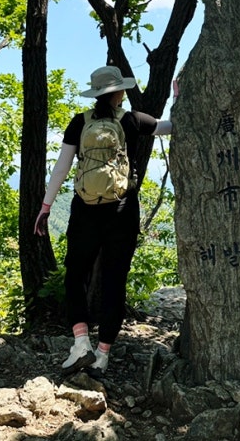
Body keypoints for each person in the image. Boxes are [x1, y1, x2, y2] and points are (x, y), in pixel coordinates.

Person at [34, 65, 173, 375]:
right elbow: (170, 127)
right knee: (114, 280)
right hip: (122, 210)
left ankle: (80, 343)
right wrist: (177, 98)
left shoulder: (79, 122)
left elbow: (61, 168)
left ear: (96, 94)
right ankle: (103, 355)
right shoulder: (132, 120)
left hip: (85, 211)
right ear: (119, 92)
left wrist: (46, 207)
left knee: (75, 275)